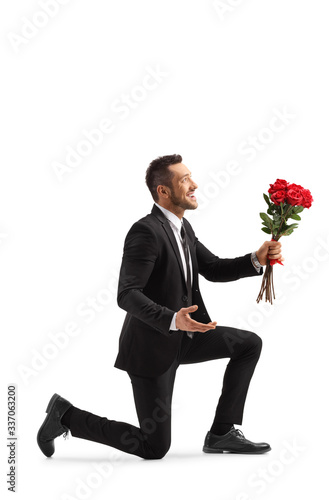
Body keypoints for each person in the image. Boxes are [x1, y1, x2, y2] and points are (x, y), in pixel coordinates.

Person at [37, 154, 283, 459]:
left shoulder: (183, 229)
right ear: (163, 191)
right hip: (150, 348)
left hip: (188, 337)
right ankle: (66, 416)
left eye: (191, 176)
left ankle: (222, 433)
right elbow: (127, 294)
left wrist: (256, 259)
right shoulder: (146, 232)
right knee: (153, 448)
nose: (194, 184)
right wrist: (172, 319)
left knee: (248, 344)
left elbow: (215, 269)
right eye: (185, 180)